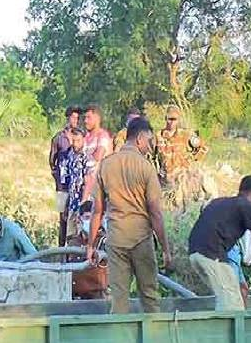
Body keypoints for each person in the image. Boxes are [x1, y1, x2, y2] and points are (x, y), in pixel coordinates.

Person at [87, 116, 171, 314]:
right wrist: (166, 249)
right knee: (149, 296)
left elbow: (97, 210)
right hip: (141, 239)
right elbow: (155, 212)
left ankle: (119, 333)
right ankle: (153, 332)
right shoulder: (146, 168)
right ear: (140, 138)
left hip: (116, 239)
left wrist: (90, 245)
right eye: (149, 141)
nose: (150, 146)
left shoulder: (106, 165)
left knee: (119, 299)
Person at [187, 176, 251, 310]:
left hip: (194, 253)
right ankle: (223, 324)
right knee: (232, 305)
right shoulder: (248, 207)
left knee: (231, 294)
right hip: (211, 254)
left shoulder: (219, 202)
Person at [49, 106, 82, 245]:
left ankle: (74, 248)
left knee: (77, 216)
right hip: (62, 184)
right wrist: (57, 177)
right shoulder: (58, 138)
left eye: (77, 118)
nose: (75, 120)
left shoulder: (81, 136)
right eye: (73, 117)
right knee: (62, 216)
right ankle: (61, 249)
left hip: (76, 184)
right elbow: (52, 160)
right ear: (68, 118)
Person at [155, 104, 207, 187]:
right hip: (165, 181)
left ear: (178, 120)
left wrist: (193, 161)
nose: (172, 122)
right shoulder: (158, 136)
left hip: (183, 181)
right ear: (165, 118)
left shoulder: (186, 135)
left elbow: (203, 148)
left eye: (174, 119)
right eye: (169, 119)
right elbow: (151, 157)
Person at [61, 126, 94, 240]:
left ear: (84, 139)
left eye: (78, 141)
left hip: (84, 203)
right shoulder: (70, 155)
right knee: (70, 235)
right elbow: (67, 181)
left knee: (83, 235)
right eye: (73, 140)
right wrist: (65, 205)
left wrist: (83, 204)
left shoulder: (87, 157)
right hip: (72, 202)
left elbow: (89, 181)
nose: (75, 144)